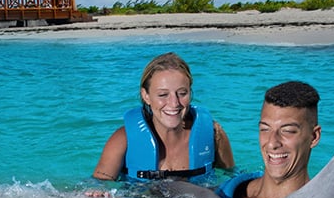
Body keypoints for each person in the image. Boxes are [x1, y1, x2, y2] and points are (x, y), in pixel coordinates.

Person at [93, 52, 235, 182]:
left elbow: (232, 177)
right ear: (146, 96)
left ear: (190, 93)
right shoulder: (123, 139)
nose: (174, 103)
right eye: (162, 95)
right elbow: (99, 184)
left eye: (182, 93)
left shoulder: (213, 134)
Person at [216, 81, 324, 198]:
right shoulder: (226, 195)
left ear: (314, 137)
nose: (272, 143)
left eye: (288, 131)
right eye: (265, 129)